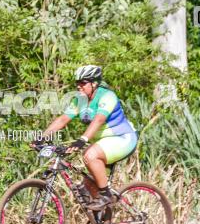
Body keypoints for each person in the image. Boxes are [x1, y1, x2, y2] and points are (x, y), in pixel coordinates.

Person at [34, 65, 137, 211]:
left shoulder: (107, 96)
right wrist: (41, 138)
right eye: (77, 83)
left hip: (122, 139)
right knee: (87, 188)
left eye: (83, 83)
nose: (78, 86)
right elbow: (63, 119)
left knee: (89, 155)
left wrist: (82, 139)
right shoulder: (80, 100)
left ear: (94, 84)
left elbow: (99, 120)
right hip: (103, 143)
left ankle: (106, 195)